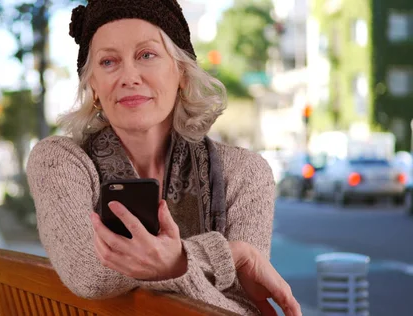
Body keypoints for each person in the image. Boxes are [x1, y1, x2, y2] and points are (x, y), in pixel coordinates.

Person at [27, 0, 301, 315]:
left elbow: (245, 310)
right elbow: (90, 273)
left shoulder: (244, 173)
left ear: (182, 73)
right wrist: (229, 255)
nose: (129, 76)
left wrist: (179, 262)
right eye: (108, 62)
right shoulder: (58, 160)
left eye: (147, 55)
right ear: (94, 86)